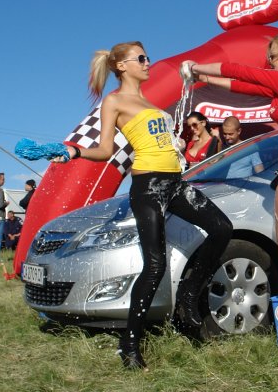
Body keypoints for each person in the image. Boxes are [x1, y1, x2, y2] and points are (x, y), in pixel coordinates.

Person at [58, 41, 232, 371]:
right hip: (148, 187)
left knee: (222, 228)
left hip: (175, 183)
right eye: (141, 58)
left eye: (147, 57)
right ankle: (130, 344)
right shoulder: (115, 101)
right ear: (121, 66)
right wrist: (74, 152)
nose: (147, 62)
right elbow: (105, 149)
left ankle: (188, 295)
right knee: (155, 266)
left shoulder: (148, 102)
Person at [185, 29, 278, 368]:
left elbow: (238, 71)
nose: (269, 64)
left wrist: (196, 67)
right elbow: (242, 86)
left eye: (273, 59)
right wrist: (204, 79)